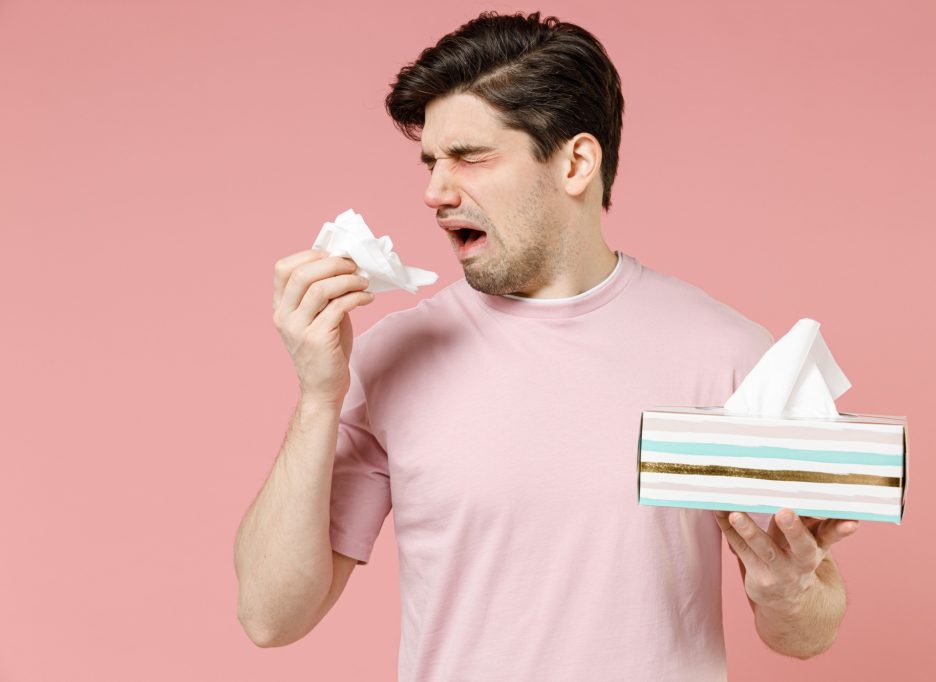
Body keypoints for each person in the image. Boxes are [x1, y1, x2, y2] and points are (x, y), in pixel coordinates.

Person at [234, 10, 860, 680]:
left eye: (470, 157)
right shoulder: (395, 355)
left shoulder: (727, 353)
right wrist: (317, 395)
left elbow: (807, 631)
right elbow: (271, 617)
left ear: (575, 163)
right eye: (431, 162)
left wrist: (790, 590)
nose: (435, 192)